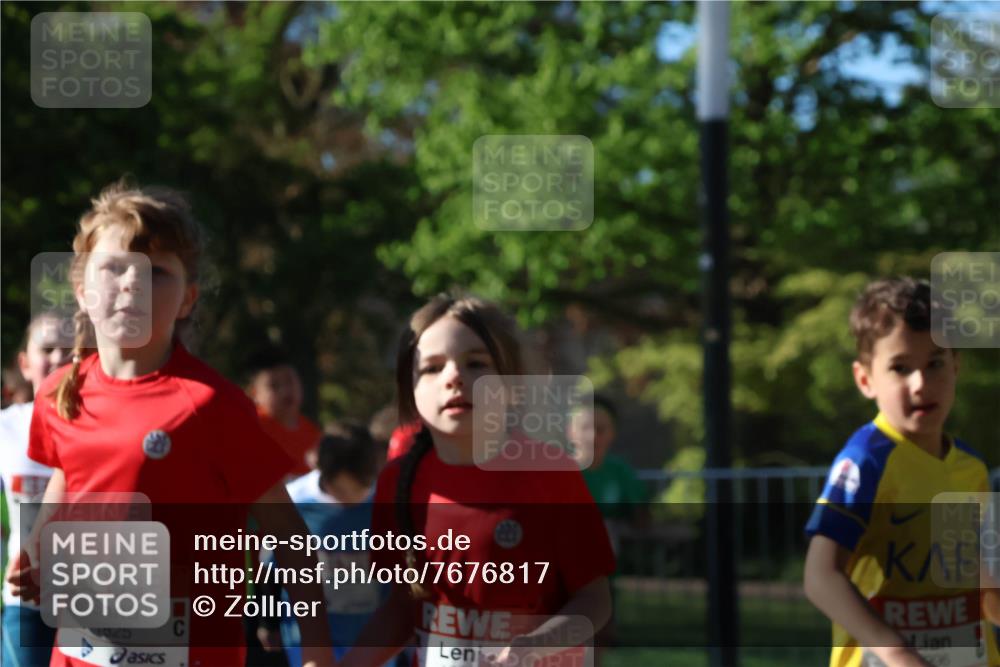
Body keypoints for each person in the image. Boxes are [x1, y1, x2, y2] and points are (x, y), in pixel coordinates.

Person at [5, 180, 333, 667]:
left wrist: (318, 653)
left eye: (156, 272)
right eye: (114, 268)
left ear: (187, 299)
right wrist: (36, 547)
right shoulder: (59, 391)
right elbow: (68, 476)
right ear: (82, 289)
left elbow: (289, 538)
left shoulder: (211, 404)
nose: (132, 283)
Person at [341, 294, 616, 667]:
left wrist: (533, 646)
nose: (454, 378)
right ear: (411, 389)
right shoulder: (396, 481)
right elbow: (403, 608)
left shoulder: (550, 473)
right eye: (432, 368)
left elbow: (595, 600)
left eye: (475, 363)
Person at [803, 277, 1000, 667]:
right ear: (865, 379)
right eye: (900, 367)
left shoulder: (969, 467)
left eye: (935, 363)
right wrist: (898, 654)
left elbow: (970, 577)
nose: (920, 383)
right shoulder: (866, 460)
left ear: (956, 366)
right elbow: (820, 577)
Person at [259, 422, 393, 667]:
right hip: (307, 640)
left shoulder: (387, 500)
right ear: (326, 475)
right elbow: (270, 570)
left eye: (363, 489)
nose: (354, 501)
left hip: (371, 637)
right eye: (346, 490)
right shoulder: (294, 502)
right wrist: (267, 622)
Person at [1, 313, 71, 666]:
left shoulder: (101, 431)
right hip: (24, 605)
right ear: (25, 363)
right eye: (47, 348)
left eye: (68, 349)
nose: (59, 357)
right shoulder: (5, 428)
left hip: (90, 603)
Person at [247, 347, 322, 479]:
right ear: (255, 394)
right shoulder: (252, 430)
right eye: (274, 385)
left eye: (289, 380)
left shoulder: (313, 433)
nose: (285, 391)